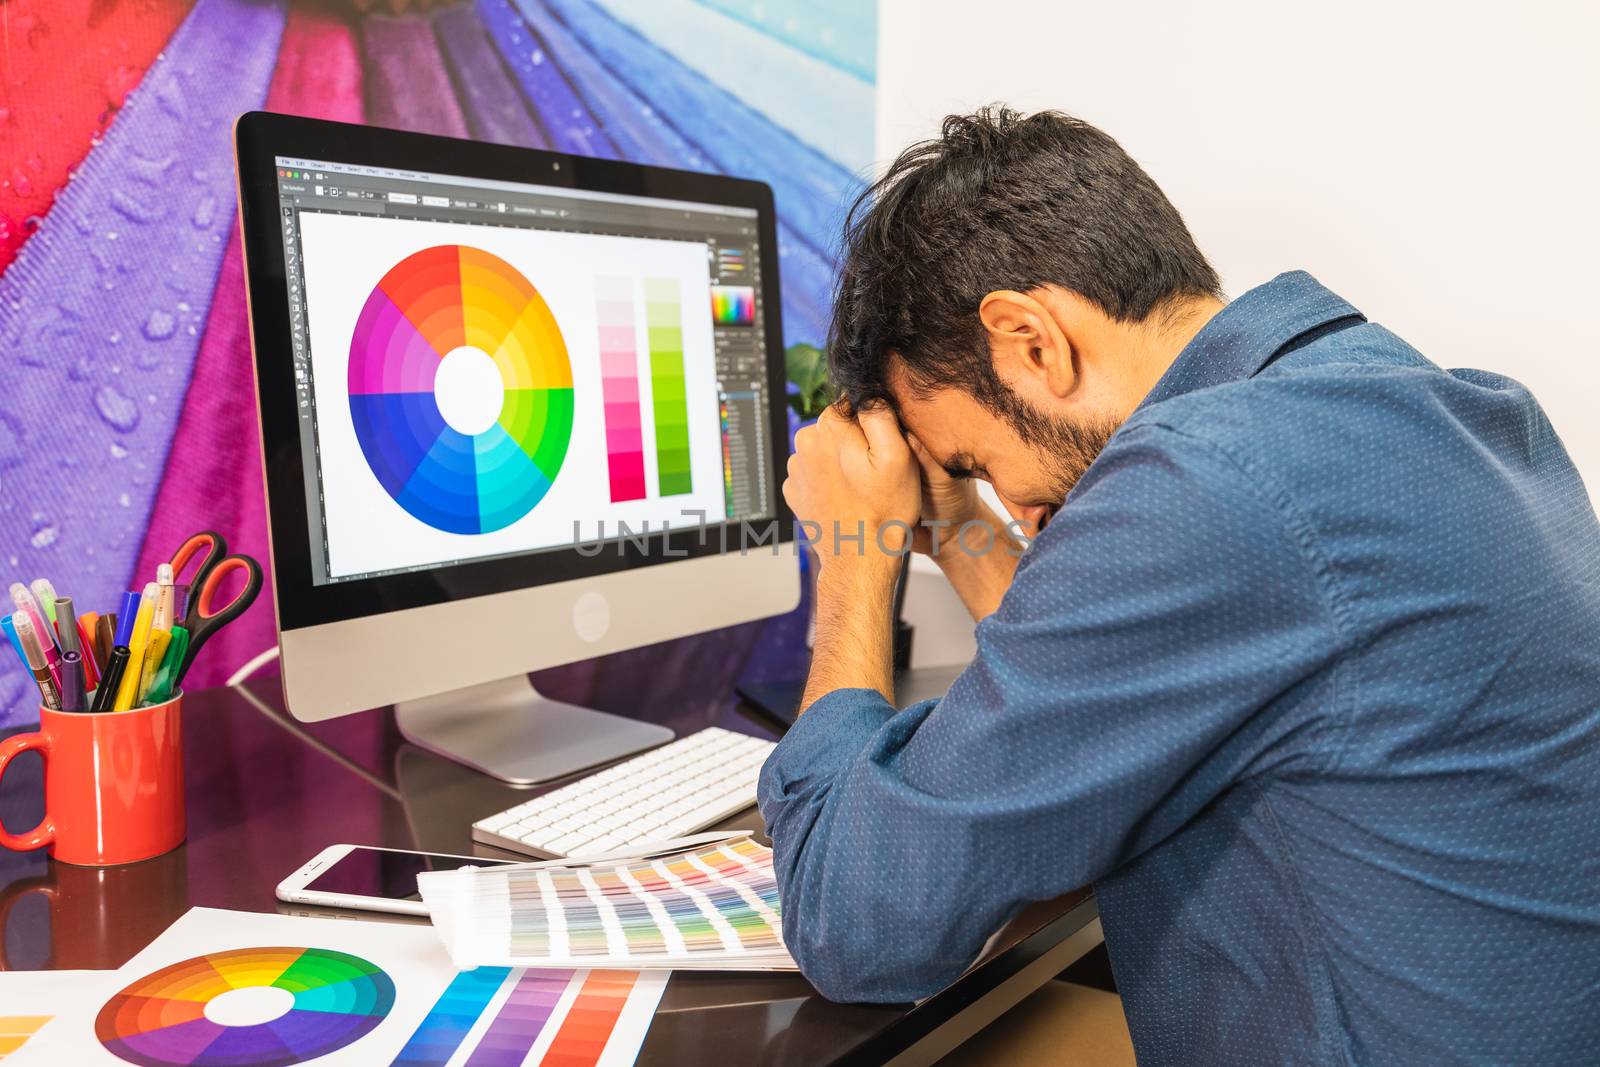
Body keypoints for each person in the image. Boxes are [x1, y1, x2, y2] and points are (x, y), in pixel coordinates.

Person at [760, 106, 1600, 1064]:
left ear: (1033, 340)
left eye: (977, 459)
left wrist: (853, 554)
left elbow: (854, 922)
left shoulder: (1205, 482)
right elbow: (1127, 678)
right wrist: (955, 524)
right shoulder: (1420, 405)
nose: (1015, 502)